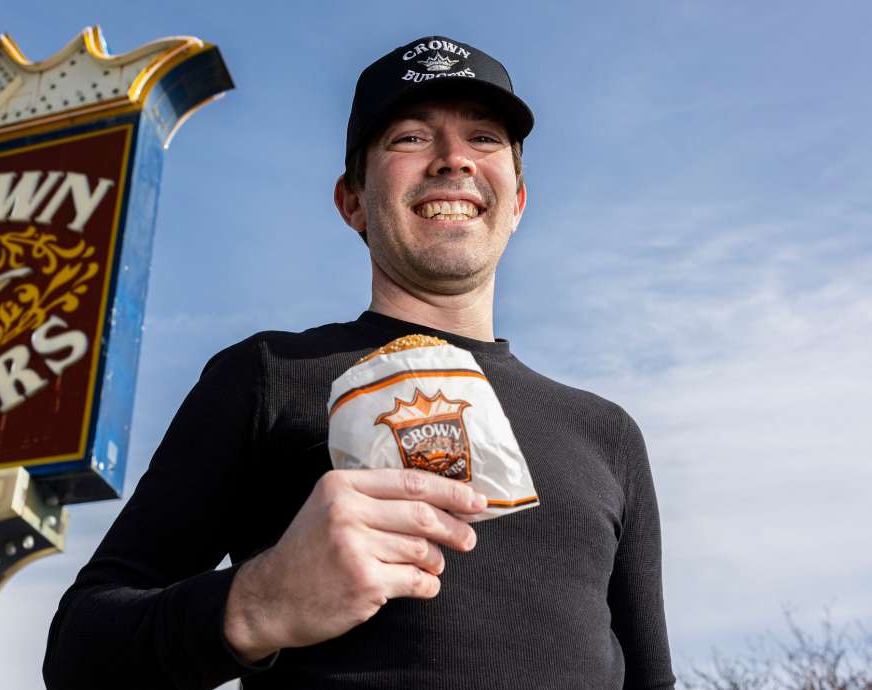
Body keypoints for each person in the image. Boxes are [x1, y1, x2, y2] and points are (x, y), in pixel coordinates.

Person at [44, 35, 675, 690]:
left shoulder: (609, 436)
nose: (453, 159)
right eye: (408, 138)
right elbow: (80, 651)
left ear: (516, 201)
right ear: (352, 201)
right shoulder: (268, 375)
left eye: (484, 138)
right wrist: (260, 605)